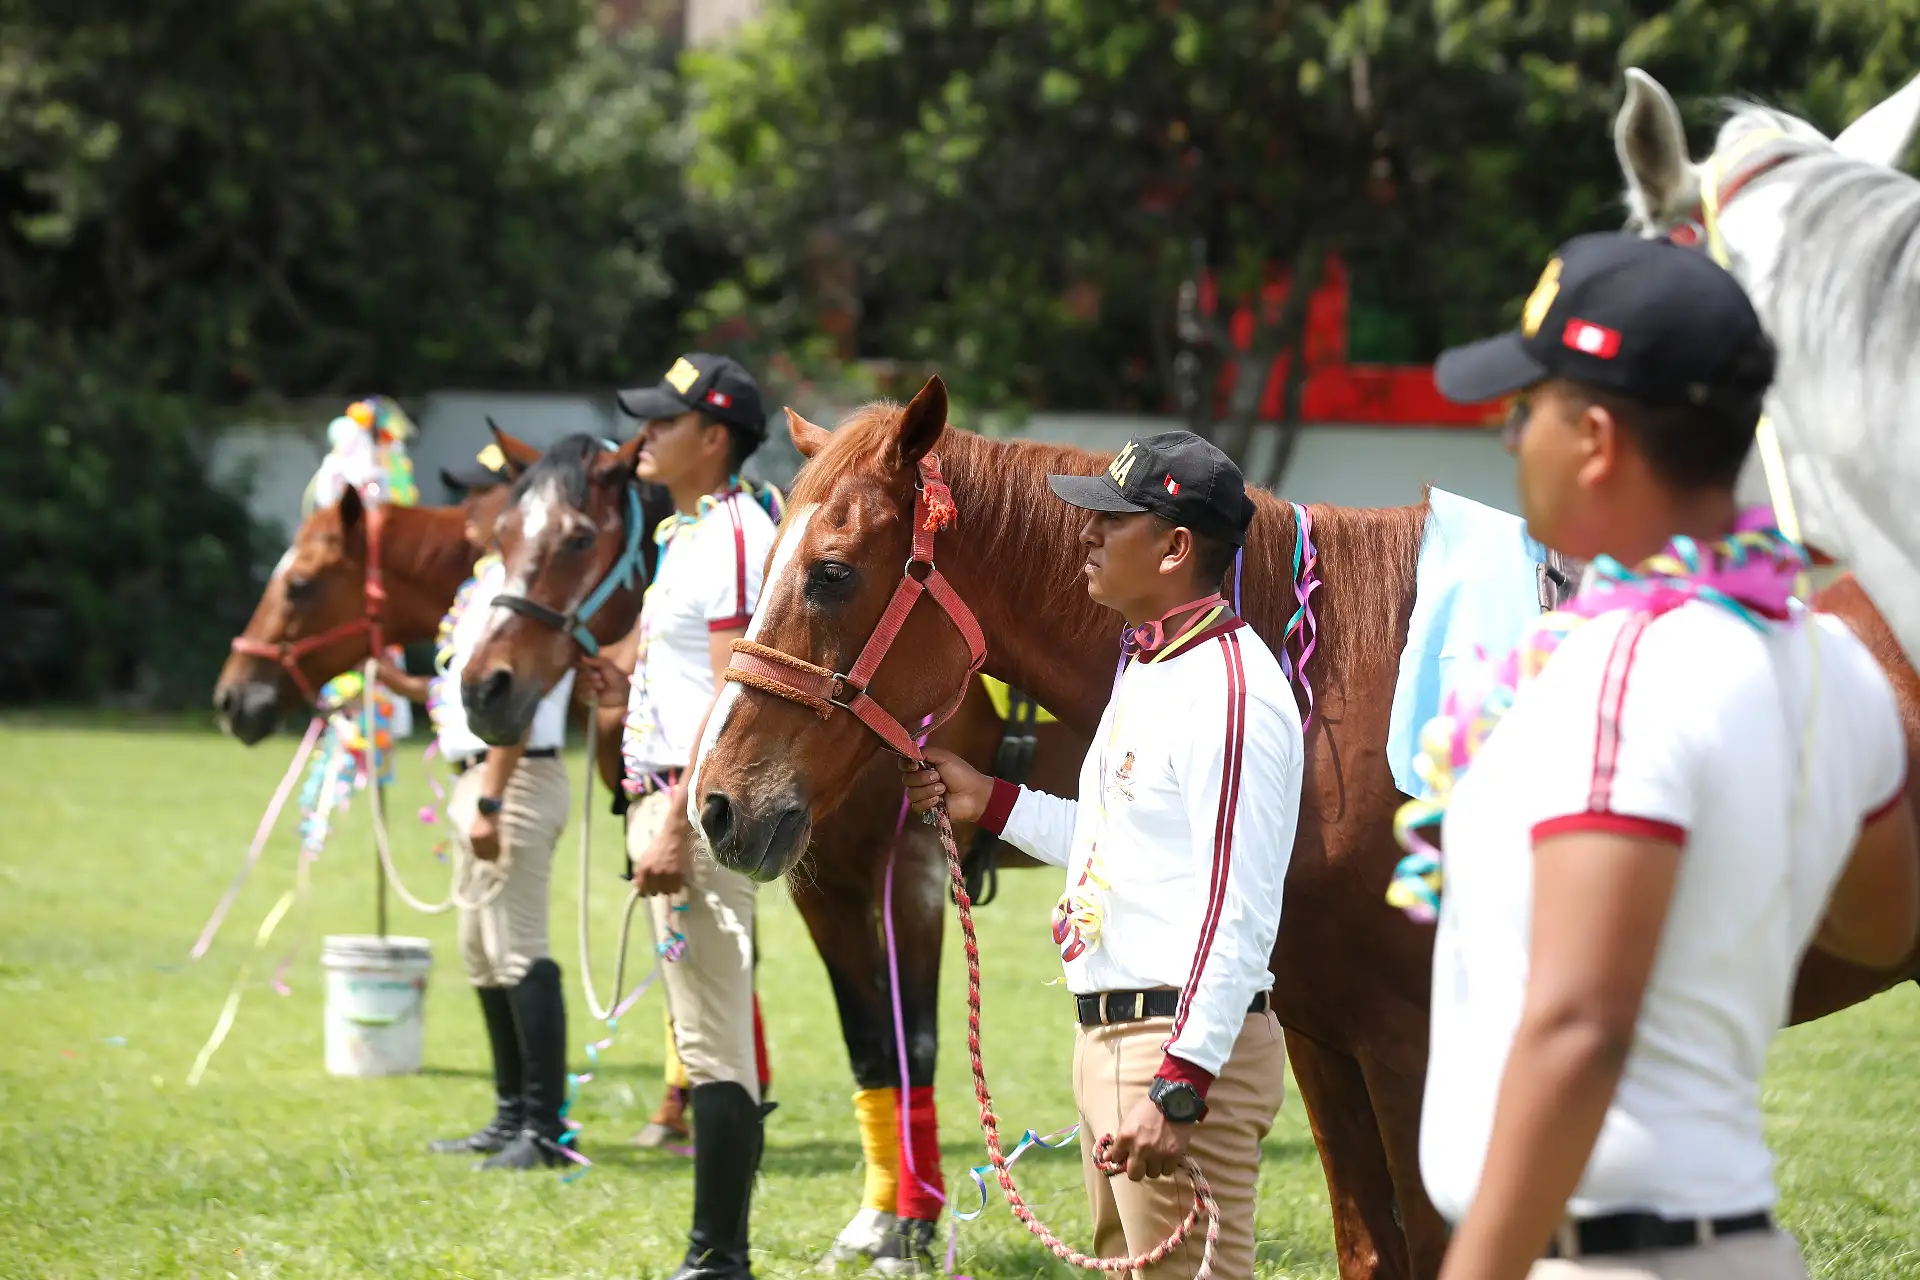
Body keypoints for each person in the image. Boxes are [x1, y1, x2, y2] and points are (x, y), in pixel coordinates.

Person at [1410, 232, 1918, 1280]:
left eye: (1528, 407)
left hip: (1601, 1256)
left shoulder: (1617, 669)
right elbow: (1882, 925)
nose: (1511, 438)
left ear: (1594, 436)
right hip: (1730, 1240)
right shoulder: (1832, 659)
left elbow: (1582, 1024)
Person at [900, 431, 1304, 1280]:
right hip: (1120, 1036)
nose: (1085, 536)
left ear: (1175, 547)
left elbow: (1242, 906)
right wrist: (990, 798)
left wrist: (1183, 1079)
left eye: (1112, 522)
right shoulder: (1154, 665)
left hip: (1173, 1043)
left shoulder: (1227, 689)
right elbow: (1117, 839)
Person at [581, 353, 781, 1280]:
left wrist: (673, 815)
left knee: (713, 1035)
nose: (645, 436)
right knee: (703, 1033)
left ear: (714, 438)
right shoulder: (690, 532)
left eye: (664, 422)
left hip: (692, 803)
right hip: (667, 791)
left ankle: (718, 1258)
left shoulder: (735, 534)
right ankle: (715, 1254)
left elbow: (738, 690)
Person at [378, 441, 578, 1170]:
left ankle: (547, 1129)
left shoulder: (525, 583)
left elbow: (515, 701)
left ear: (516, 500)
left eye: (479, 492)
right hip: (480, 775)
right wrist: (392, 684)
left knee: (519, 947)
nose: (465, 506)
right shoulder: (484, 582)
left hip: (513, 775)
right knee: (481, 952)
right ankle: (510, 1114)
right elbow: (461, 700)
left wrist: (492, 794)